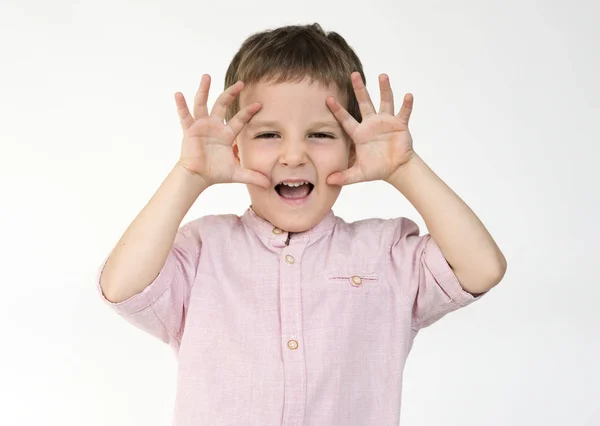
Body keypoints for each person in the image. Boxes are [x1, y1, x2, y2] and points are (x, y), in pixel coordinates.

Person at [96, 22, 507, 426]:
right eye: (269, 135)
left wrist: (404, 168)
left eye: (321, 135)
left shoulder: (385, 254)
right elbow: (122, 287)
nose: (294, 155)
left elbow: (481, 268)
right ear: (234, 149)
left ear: (352, 151)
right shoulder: (204, 251)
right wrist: (189, 174)